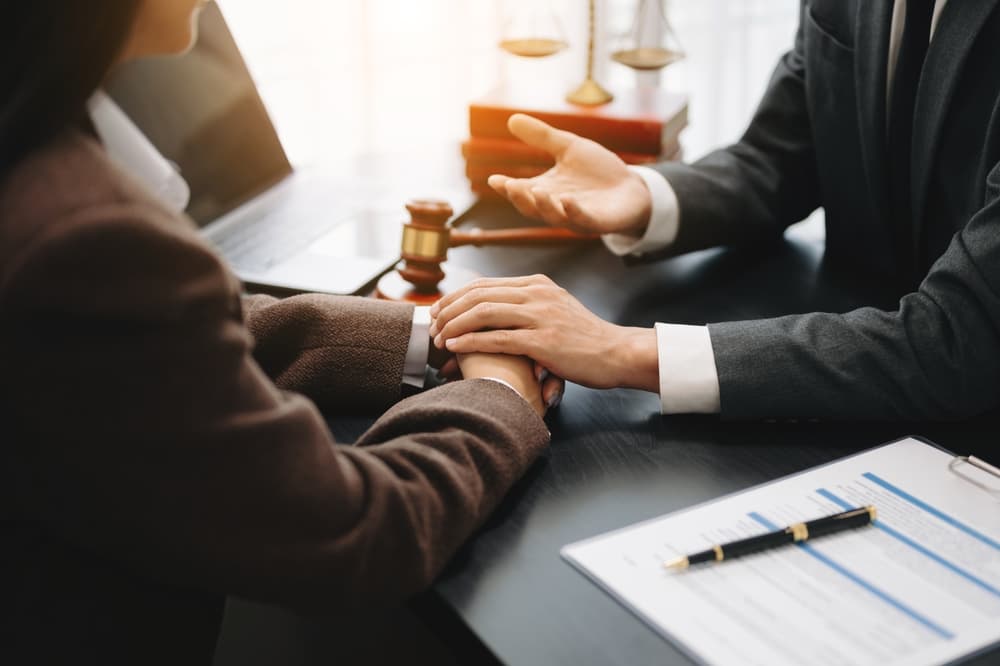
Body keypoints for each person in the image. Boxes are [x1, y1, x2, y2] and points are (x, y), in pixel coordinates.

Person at [0, 1, 561, 663]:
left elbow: (179, 335)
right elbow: (353, 533)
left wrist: (433, 332)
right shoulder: (90, 238)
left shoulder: (37, 147)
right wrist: (500, 396)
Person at [429, 0, 1000, 421]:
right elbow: (783, 154)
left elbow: (962, 340)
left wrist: (622, 351)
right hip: (842, 368)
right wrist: (646, 194)